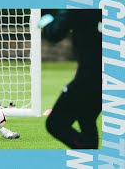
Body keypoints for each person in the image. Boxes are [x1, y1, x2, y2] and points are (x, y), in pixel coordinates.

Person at [42, 9, 102, 149]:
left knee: (55, 124)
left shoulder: (79, 6)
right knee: (86, 118)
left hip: (90, 76)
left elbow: (54, 33)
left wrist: (45, 20)